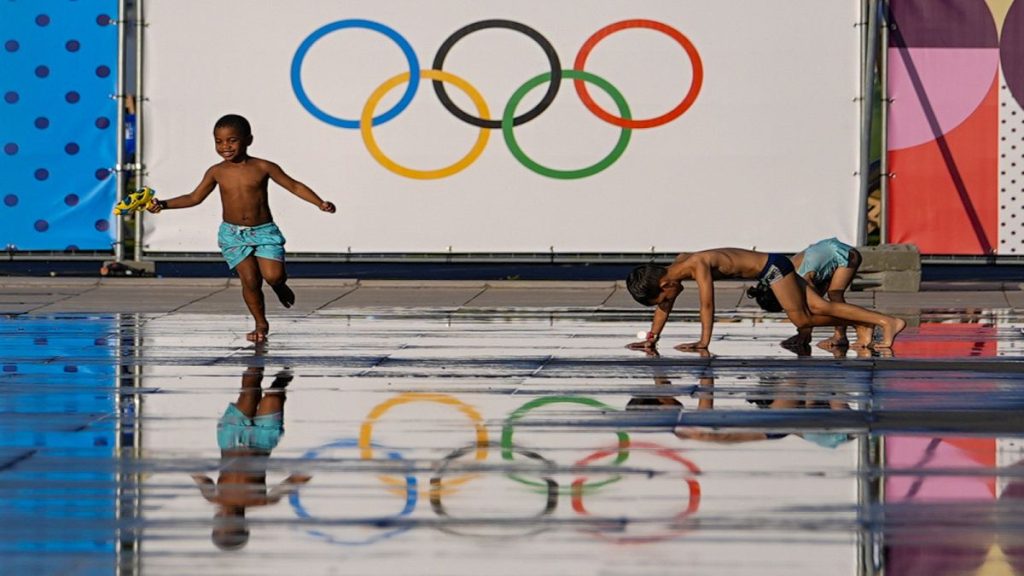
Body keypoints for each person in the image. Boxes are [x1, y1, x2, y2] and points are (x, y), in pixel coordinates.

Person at [147, 114, 336, 342]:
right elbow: (194, 197)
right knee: (250, 280)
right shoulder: (216, 172)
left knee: (273, 276)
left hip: (264, 231)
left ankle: (279, 286)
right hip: (233, 234)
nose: (225, 146)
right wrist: (163, 205)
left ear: (249, 140)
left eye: (232, 140)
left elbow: (293, 185)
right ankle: (260, 323)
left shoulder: (263, 167)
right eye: (219, 141)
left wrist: (319, 202)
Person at [625, 247, 905, 352]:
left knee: (803, 318)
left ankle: (886, 321)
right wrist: (652, 337)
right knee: (819, 308)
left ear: (665, 283)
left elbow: (707, 304)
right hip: (774, 266)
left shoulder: (696, 264)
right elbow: (664, 306)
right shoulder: (678, 264)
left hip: (774, 268)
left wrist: (703, 342)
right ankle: (865, 324)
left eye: (662, 297)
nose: (666, 302)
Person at [191, 365, 311, 550]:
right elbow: (290, 483)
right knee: (273, 396)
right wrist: (300, 478)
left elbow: (201, 477)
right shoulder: (261, 501)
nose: (226, 518)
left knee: (249, 393)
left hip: (231, 438)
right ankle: (280, 383)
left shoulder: (214, 497)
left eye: (222, 525)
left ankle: (257, 355)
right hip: (262, 442)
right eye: (231, 526)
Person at [746, 237, 862, 350]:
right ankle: (845, 328)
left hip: (845, 254)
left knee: (834, 294)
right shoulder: (781, 276)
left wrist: (804, 332)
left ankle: (841, 335)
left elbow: (811, 306)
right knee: (819, 299)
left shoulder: (801, 279)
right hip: (827, 252)